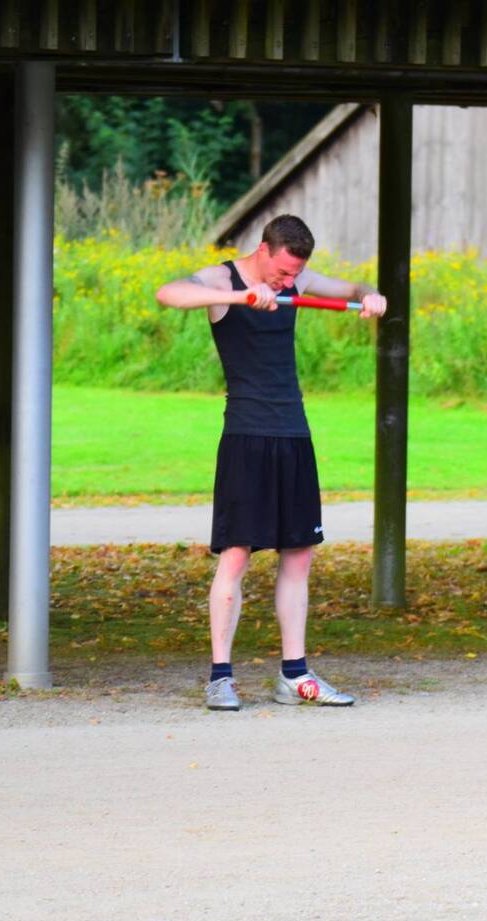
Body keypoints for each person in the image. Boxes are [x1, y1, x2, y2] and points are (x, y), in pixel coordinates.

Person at [155, 215, 387, 711]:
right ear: (264, 250)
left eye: (293, 275)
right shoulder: (222, 282)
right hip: (245, 434)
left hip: (293, 432)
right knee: (237, 555)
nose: (287, 283)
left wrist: (371, 295)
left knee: (299, 554)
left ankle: (294, 675)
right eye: (281, 274)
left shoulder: (296, 277)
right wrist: (242, 298)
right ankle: (220, 677)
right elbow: (167, 293)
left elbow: (354, 284)